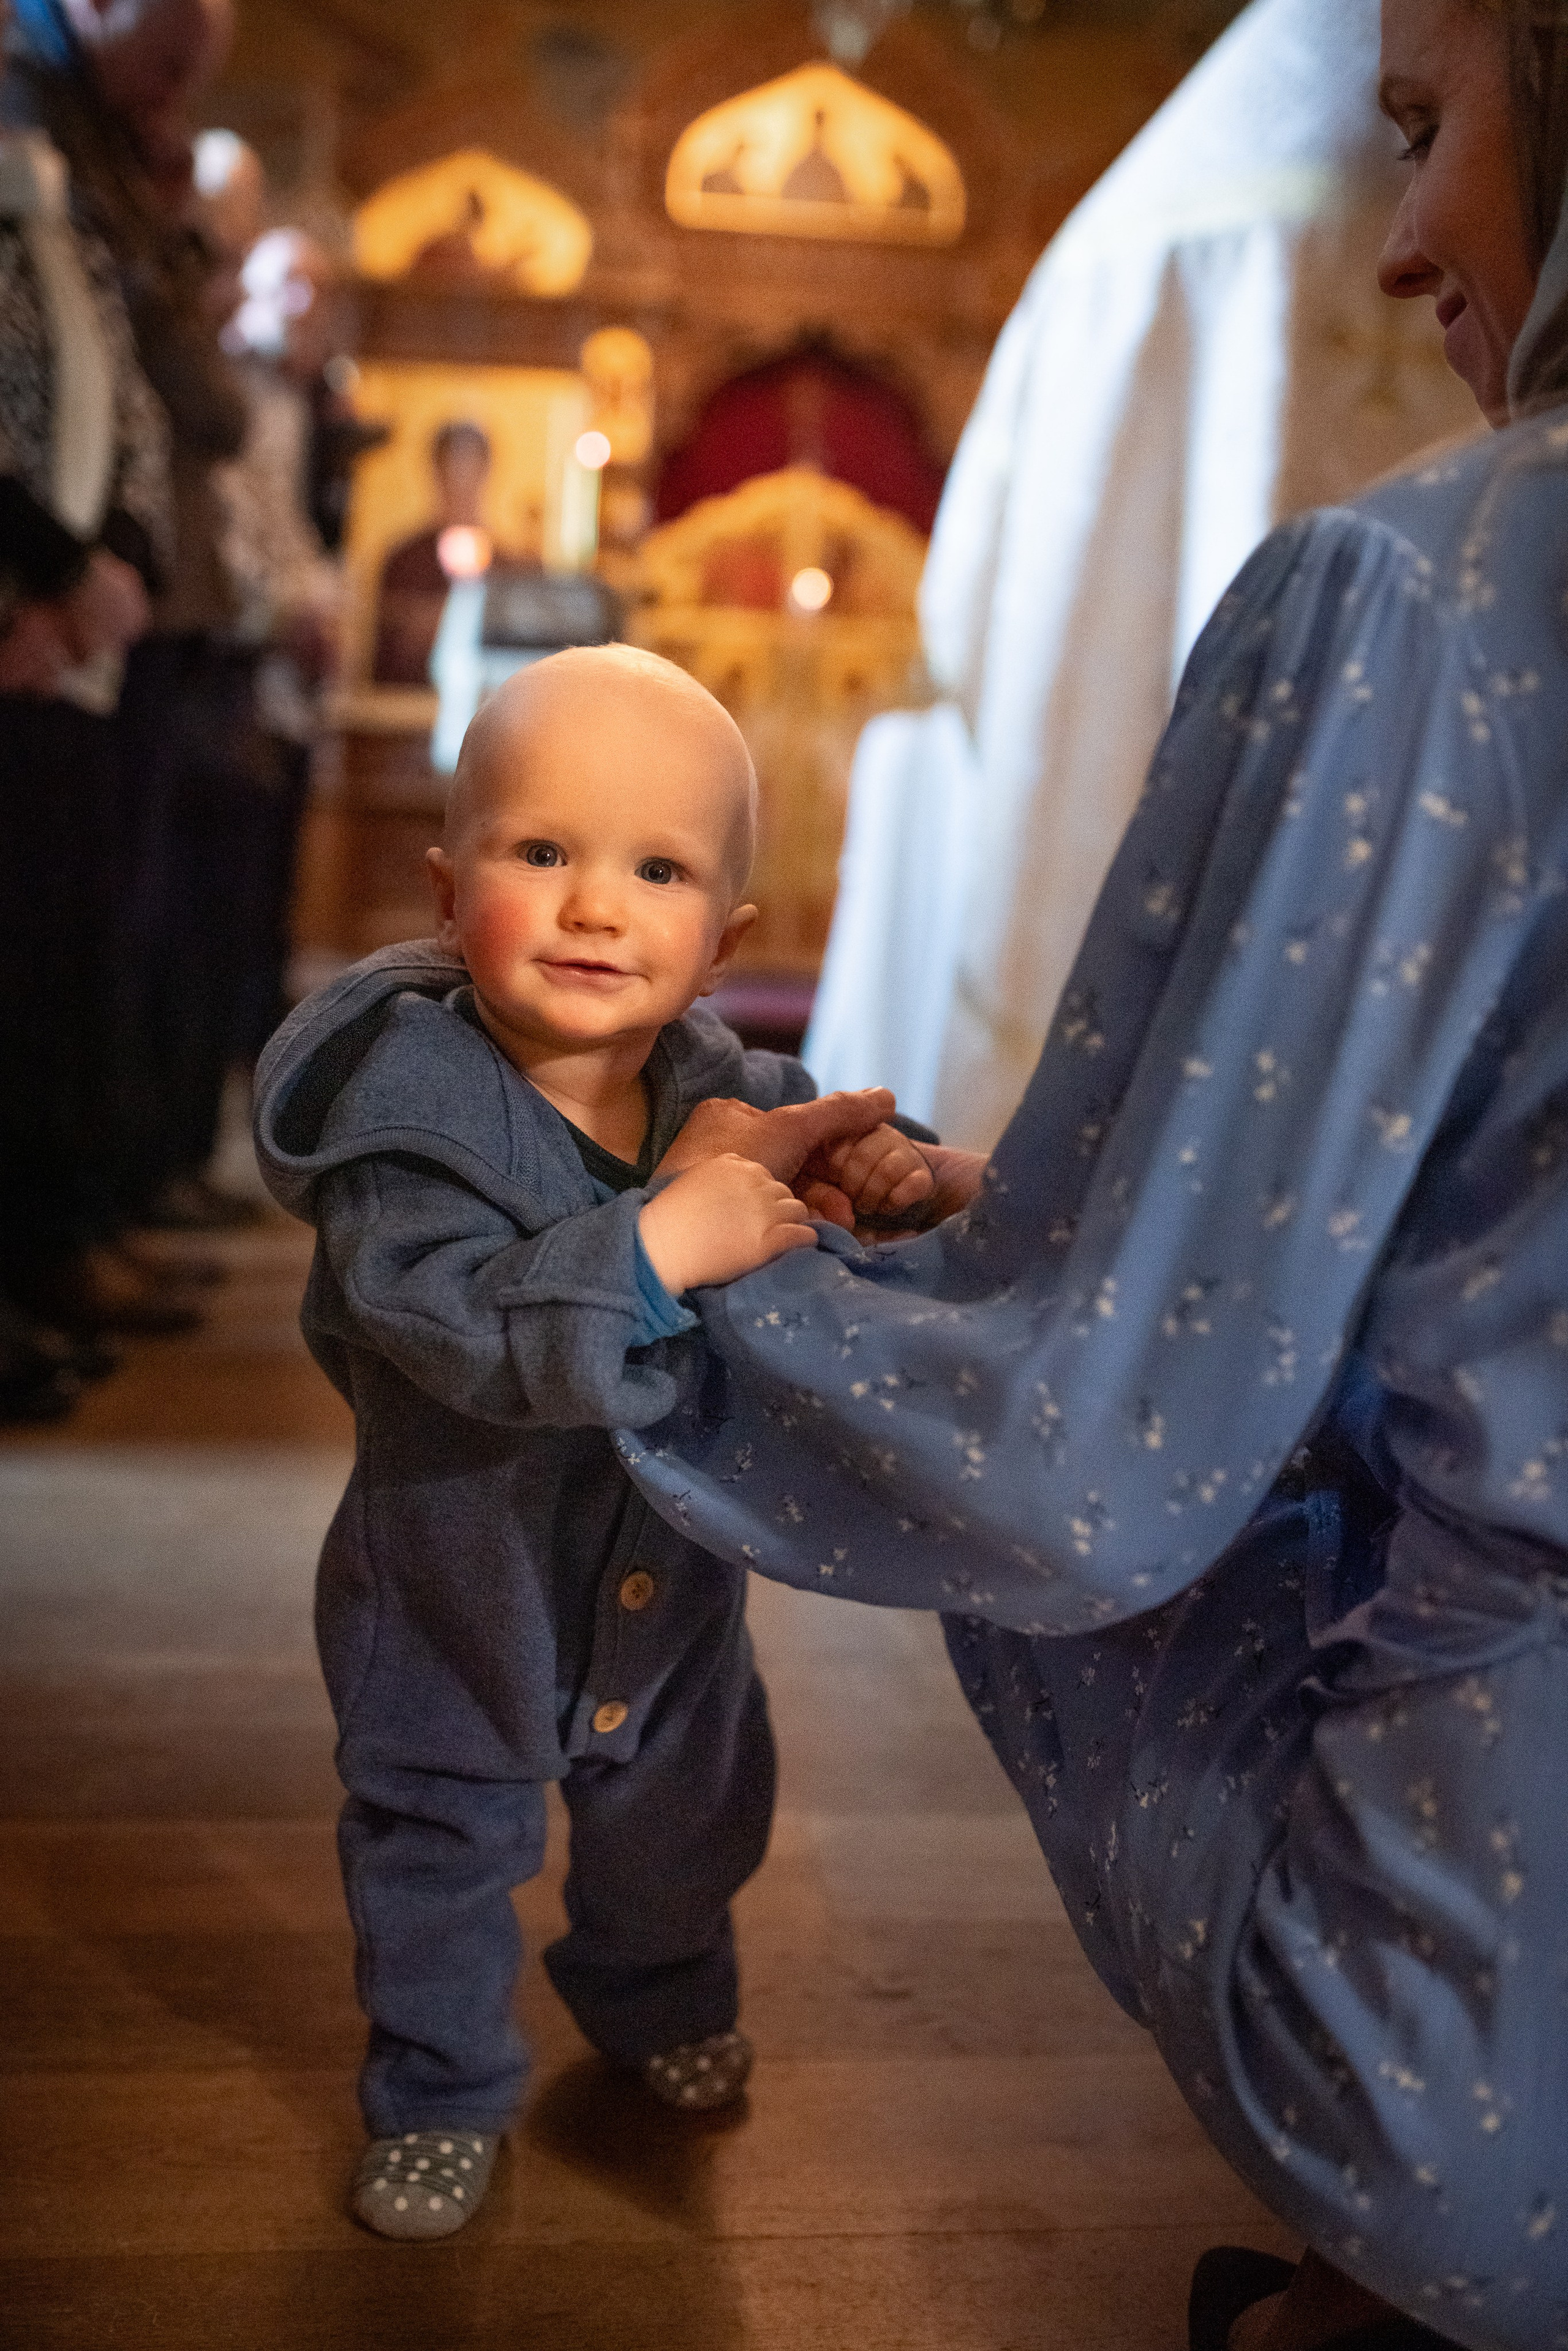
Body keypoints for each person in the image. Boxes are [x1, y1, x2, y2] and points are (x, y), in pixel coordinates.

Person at [608, 2, 1568, 2345]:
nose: (1385, 250)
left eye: (1424, 132)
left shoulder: (1428, 593)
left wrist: (651, 1268)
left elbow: (1082, 1452)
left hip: (1489, 2054)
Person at [252, 646, 930, 2241]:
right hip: (455, 1582)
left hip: (667, 1584)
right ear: (447, 878)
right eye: (541, 851)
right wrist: (653, 1249)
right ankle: (435, 2080)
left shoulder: (721, 1087)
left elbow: (808, 1173)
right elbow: (447, 1324)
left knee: (685, 1819)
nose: (595, 904)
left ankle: (657, 1985)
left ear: (725, 938)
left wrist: (890, 1177)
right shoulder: (401, 1125)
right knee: (440, 1835)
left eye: (658, 867)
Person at [804, 0, 1482, 1146]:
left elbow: (979, 625)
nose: (1403, 257)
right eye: (1406, 133)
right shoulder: (1178, 224)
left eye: (1426, 132)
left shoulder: (1133, 247)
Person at [0, 46, 175, 1398]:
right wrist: (49, 573)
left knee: (55, 968)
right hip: (21, 617)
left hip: (72, 644)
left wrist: (114, 562)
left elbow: (126, 413)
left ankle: (41, 1251)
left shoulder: (72, 218)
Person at [371, 419, 496, 686]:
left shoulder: (509, 565)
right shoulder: (404, 562)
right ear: (436, 473)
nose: (461, 481)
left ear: (486, 473)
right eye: (452, 469)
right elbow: (388, 656)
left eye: (471, 467)